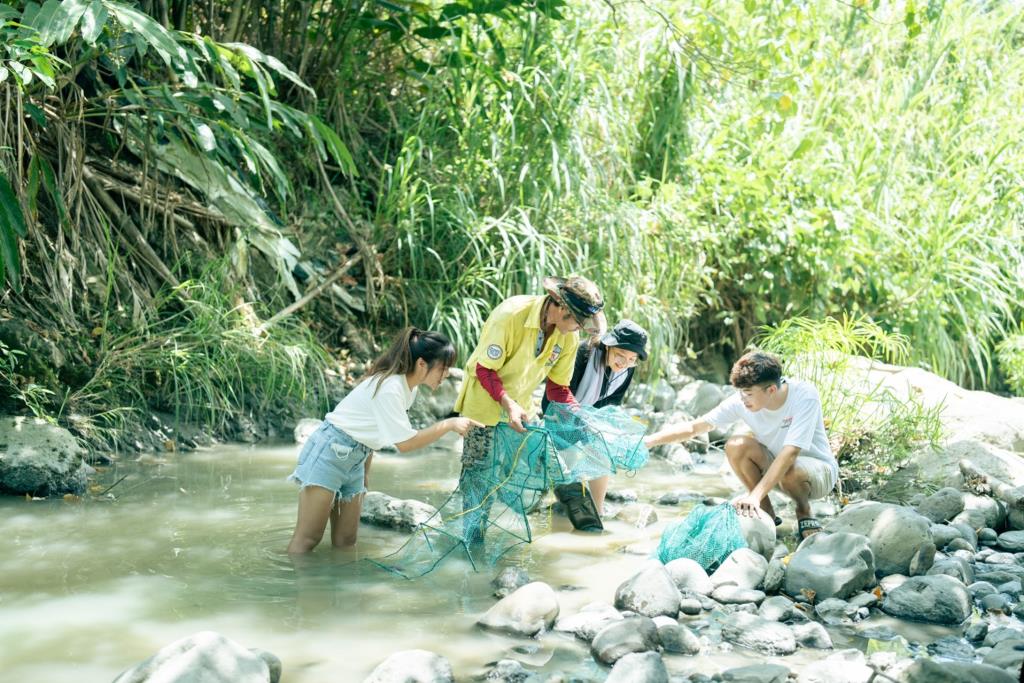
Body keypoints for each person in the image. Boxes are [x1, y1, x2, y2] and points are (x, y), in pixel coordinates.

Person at [286, 328, 482, 553]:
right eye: (443, 367)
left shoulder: (409, 389)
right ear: (421, 364)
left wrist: (364, 474)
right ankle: (294, 586)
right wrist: (448, 424)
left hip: (356, 458)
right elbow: (405, 444)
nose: (446, 374)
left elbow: (371, 433)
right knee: (308, 539)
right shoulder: (391, 387)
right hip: (330, 451)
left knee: (346, 541)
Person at [453, 275, 606, 540]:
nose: (578, 330)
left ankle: (592, 535)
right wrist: (507, 403)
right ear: (560, 308)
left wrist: (580, 417)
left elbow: (557, 389)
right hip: (483, 407)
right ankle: (472, 546)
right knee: (480, 481)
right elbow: (485, 368)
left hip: (522, 407)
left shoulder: (567, 337)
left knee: (557, 467)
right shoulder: (511, 314)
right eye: (577, 322)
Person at [645, 350, 837, 540]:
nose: (742, 399)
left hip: (817, 473)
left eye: (748, 393)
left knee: (791, 467)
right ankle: (766, 511)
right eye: (740, 393)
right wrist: (649, 441)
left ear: (771, 390)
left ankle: (803, 511)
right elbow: (695, 427)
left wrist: (754, 495)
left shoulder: (804, 395)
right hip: (777, 473)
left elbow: (790, 453)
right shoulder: (741, 401)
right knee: (735, 444)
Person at [541, 319, 649, 527]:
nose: (624, 363)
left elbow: (612, 404)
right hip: (560, 415)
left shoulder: (627, 369)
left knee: (602, 451)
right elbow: (561, 392)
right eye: (620, 355)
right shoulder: (584, 354)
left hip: (590, 419)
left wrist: (602, 430)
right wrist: (582, 422)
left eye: (631, 359)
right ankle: (565, 505)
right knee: (570, 463)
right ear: (608, 346)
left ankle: (597, 510)